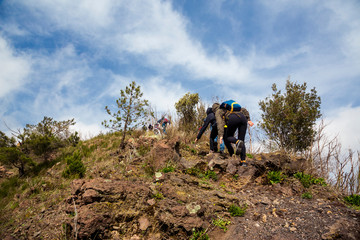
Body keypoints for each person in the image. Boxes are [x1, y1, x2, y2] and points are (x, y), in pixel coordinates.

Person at [212, 102, 254, 166]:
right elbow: (244, 110)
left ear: (214, 109)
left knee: (227, 138)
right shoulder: (230, 107)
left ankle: (237, 142)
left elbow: (220, 123)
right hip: (243, 118)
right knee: (242, 140)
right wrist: (248, 119)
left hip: (233, 118)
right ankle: (243, 161)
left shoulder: (218, 111)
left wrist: (220, 135)